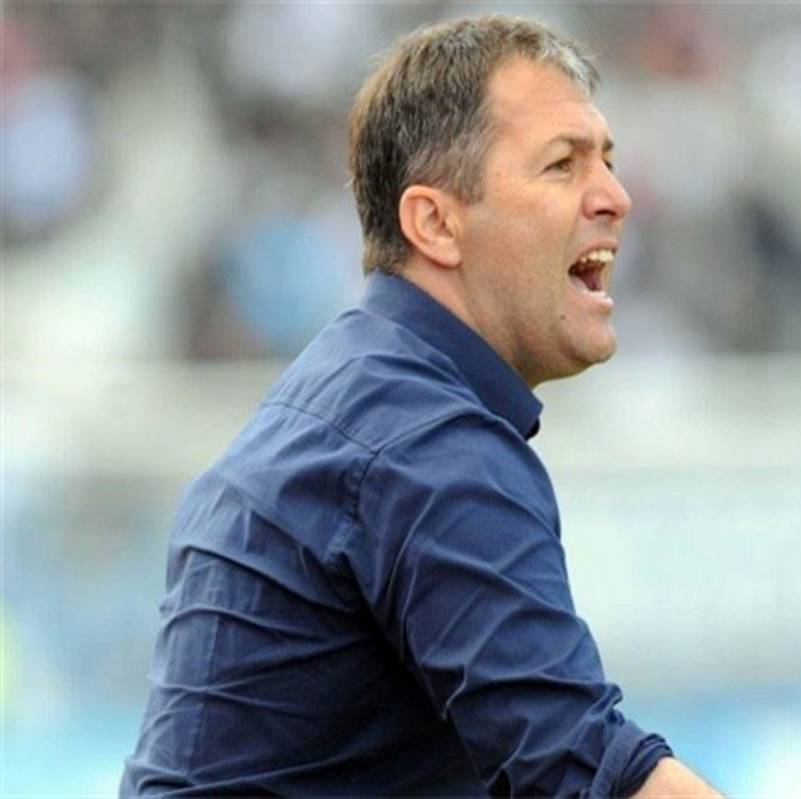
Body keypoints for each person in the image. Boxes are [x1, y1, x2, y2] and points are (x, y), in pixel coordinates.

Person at [121, 15, 721, 797]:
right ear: (435, 224)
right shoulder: (426, 441)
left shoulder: (355, 390)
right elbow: (585, 770)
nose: (616, 196)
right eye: (561, 165)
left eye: (606, 161)